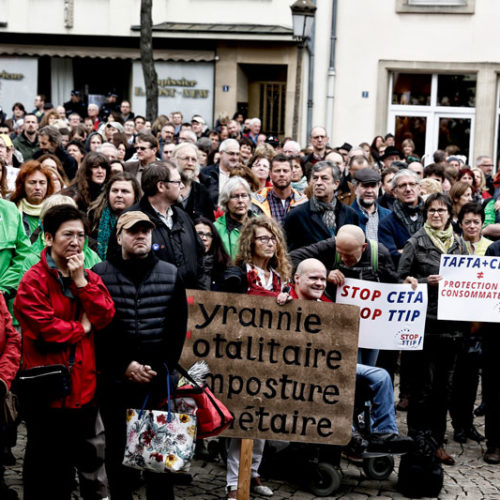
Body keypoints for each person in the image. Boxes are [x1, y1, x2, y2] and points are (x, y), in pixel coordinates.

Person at [14, 204, 115, 500]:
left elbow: (105, 315)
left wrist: (81, 282)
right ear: (48, 238)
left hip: (83, 388)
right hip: (47, 390)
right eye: (67, 234)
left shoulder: (88, 277)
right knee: (46, 467)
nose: (76, 241)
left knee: (85, 461)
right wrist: (80, 329)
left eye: (81, 235)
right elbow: (44, 328)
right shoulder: (33, 280)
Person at [93, 211, 187, 500]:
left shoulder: (170, 273)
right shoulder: (99, 274)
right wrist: (123, 366)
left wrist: (157, 368)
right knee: (118, 458)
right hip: (115, 383)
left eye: (145, 231)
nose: (141, 236)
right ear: (119, 237)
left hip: (156, 383)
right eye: (133, 231)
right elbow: (98, 331)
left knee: (159, 464)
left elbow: (177, 330)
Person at [290, 258, 414, 454]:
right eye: (313, 278)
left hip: (331, 362)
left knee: (381, 376)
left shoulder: (327, 304)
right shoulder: (284, 299)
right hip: (299, 369)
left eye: (322, 279)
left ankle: (384, 434)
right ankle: (348, 433)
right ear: (297, 278)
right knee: (334, 377)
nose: (319, 283)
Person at [223, 216, 291, 499]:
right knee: (242, 419)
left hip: (270, 358)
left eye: (273, 238)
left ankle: (253, 473)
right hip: (242, 357)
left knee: (263, 417)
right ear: (250, 242)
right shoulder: (237, 274)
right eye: (263, 238)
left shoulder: (279, 278)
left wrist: (287, 303)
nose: (269, 243)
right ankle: (234, 483)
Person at [398, 193, 467, 466]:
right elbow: (400, 280)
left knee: (443, 388)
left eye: (441, 210)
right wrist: (427, 282)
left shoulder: (460, 244)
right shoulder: (415, 242)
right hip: (424, 323)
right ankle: (417, 440)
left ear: (450, 214)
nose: (436, 214)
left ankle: (436, 442)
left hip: (452, 326)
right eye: (431, 210)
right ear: (425, 213)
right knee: (421, 387)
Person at [290, 224, 417, 366]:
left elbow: (390, 282)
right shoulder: (330, 245)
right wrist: (325, 274)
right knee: (351, 368)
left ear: (363, 247)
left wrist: (404, 284)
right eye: (340, 253)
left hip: (370, 326)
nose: (343, 258)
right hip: (339, 324)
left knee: (368, 369)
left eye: (349, 256)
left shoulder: (379, 253)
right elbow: (292, 258)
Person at [108, 161, 204, 289]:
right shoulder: (130, 219)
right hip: (149, 298)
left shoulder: (183, 217)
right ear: (161, 186)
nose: (181, 186)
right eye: (177, 182)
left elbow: (200, 258)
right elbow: (117, 266)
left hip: (188, 297)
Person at [284, 161, 359, 251]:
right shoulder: (296, 215)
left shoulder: (350, 214)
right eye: (315, 178)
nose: (318, 183)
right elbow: (289, 253)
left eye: (324, 178)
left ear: (336, 184)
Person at [89, 173, 141, 259]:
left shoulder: (144, 220)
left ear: (135, 195)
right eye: (115, 191)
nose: (119, 195)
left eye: (124, 191)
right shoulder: (93, 217)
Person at [379, 169, 424, 266]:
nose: (408, 189)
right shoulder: (386, 224)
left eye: (412, 184)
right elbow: (391, 256)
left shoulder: (431, 217)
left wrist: (404, 251)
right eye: (402, 185)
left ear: (419, 188)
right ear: (394, 192)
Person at [251, 153, 307, 224]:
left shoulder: (303, 202)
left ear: (291, 174)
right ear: (270, 174)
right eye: (277, 171)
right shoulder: (256, 201)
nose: (281, 174)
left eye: (285, 171)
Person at [10, 160, 55, 242]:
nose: (37, 187)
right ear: (22, 185)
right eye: (32, 182)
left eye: (42, 183)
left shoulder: (55, 209)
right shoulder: (12, 209)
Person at [172, 143, 215, 222]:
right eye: (186, 158)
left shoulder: (203, 191)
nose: (190, 163)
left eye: (194, 160)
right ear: (174, 160)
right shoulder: (166, 189)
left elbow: (210, 222)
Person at [214, 176, 253, 259]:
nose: (240, 201)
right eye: (235, 196)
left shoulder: (262, 224)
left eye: (244, 195)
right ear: (226, 200)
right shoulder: (216, 229)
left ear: (250, 199)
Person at [350, 169, 391, 241]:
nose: (369, 191)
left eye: (373, 186)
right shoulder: (346, 215)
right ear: (355, 188)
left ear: (379, 188)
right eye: (365, 186)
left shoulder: (389, 215)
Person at [195, 216, 232, 290]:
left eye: (208, 235)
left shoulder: (223, 267)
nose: (204, 238)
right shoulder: (183, 267)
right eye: (200, 234)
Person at [201, 138, 241, 206]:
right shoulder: (206, 173)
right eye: (231, 153)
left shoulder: (242, 174)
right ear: (221, 153)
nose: (235, 157)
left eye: (237, 154)